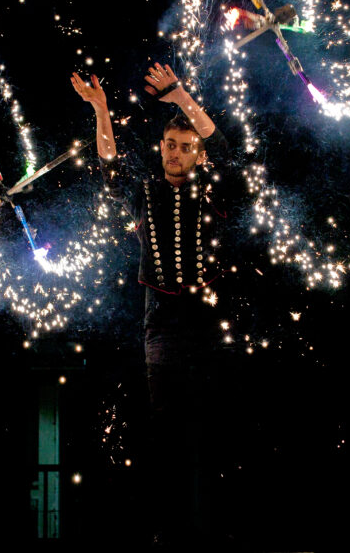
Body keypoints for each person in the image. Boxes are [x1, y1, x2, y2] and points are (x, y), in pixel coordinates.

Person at [71, 62, 234, 546]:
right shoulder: (145, 193)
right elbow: (110, 167)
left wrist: (182, 98)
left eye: (186, 147)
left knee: (210, 427)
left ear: (196, 156)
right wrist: (101, 110)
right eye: (170, 144)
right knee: (167, 432)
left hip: (208, 321)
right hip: (160, 322)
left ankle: (215, 529)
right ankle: (172, 530)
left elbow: (224, 149)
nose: (176, 153)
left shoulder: (213, 189)